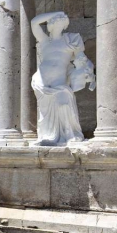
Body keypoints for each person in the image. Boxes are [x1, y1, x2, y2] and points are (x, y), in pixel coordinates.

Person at [30, 11, 94, 146]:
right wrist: (56, 13)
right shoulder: (45, 40)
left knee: (63, 104)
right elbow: (34, 22)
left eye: (62, 22)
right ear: (50, 25)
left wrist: (87, 69)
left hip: (60, 79)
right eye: (55, 21)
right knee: (45, 111)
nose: (59, 23)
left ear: (65, 26)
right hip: (42, 80)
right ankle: (48, 136)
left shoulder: (71, 40)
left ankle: (70, 135)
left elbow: (81, 59)